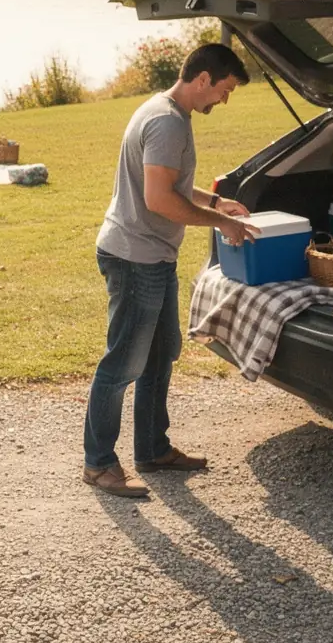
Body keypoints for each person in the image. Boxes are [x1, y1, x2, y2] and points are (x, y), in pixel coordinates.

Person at [83, 43, 259, 498]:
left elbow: (171, 184)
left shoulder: (166, 113)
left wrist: (216, 202)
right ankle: (99, 464)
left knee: (160, 357)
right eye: (225, 89)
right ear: (204, 79)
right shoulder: (166, 122)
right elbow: (158, 200)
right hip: (135, 257)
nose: (224, 100)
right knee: (123, 362)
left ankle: (152, 449)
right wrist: (224, 224)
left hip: (152, 255)